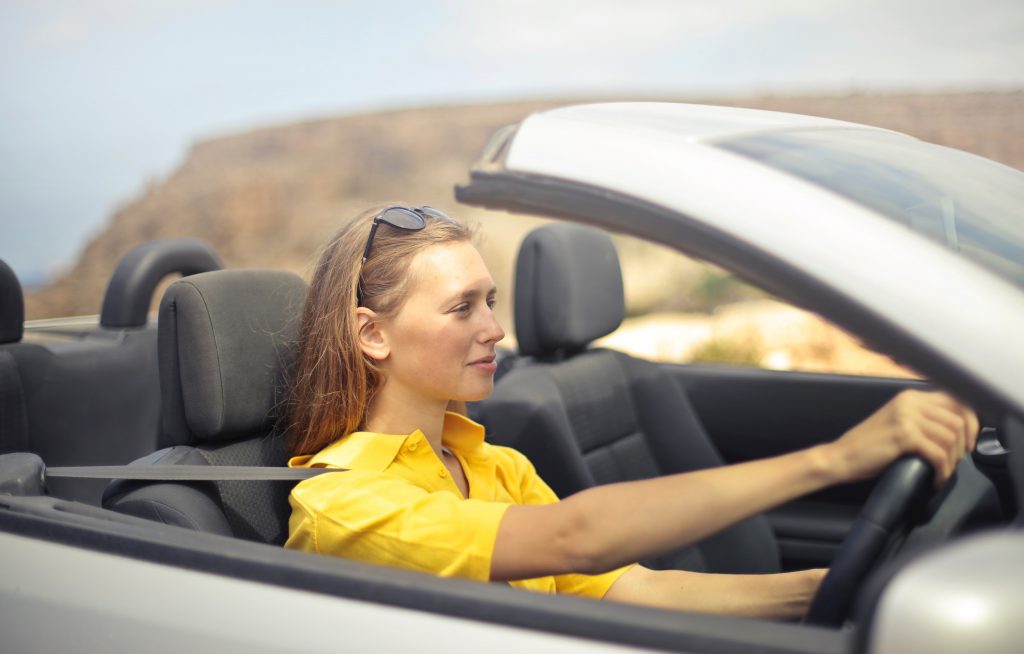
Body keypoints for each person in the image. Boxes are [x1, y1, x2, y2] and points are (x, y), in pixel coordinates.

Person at [284, 205, 978, 619]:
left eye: (490, 301)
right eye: (461, 308)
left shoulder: (495, 466)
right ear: (372, 334)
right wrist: (834, 460)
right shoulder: (343, 504)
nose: (494, 329)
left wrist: (835, 590)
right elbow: (575, 539)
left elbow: (633, 589)